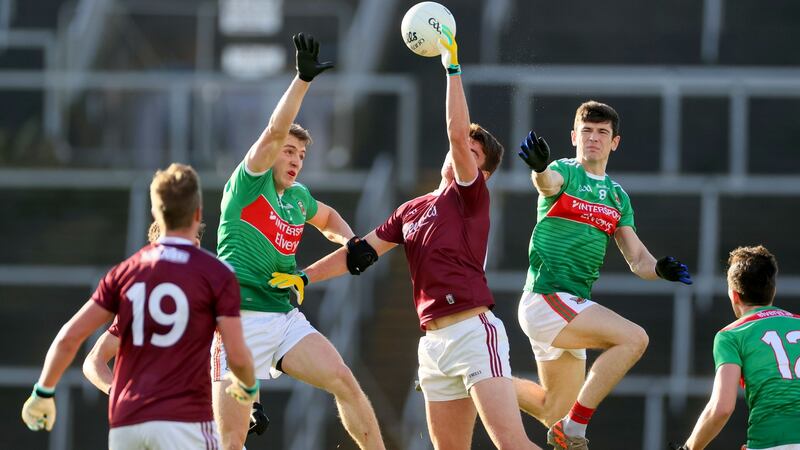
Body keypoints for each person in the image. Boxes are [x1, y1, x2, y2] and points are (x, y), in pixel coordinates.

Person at [270, 29, 541, 450]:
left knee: (512, 444)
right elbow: (358, 255)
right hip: (433, 343)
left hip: (473, 331)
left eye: (471, 152)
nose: (459, 152)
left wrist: (452, 67)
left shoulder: (471, 196)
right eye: (459, 147)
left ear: (482, 172)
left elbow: (455, 131)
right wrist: (304, 277)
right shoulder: (411, 209)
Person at [211, 32, 385, 450]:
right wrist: (302, 80)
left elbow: (326, 217)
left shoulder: (297, 199)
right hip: (235, 325)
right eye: (288, 152)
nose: (294, 160)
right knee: (232, 440)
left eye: (301, 156)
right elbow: (274, 130)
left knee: (344, 380)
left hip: (283, 319)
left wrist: (350, 240)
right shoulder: (248, 184)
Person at [21, 163, 258, 449]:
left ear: (157, 214)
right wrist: (248, 389)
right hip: (184, 422)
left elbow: (69, 336)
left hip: (128, 424)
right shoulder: (216, 274)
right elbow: (240, 355)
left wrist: (43, 391)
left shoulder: (124, 273)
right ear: (197, 214)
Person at [513, 100, 693, 449]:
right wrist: (538, 169)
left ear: (614, 142)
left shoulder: (617, 196)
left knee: (553, 409)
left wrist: (659, 269)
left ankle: (465, 375)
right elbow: (547, 184)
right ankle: (576, 427)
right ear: (574, 136)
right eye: (586, 131)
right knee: (634, 339)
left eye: (602, 132)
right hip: (547, 298)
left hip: (569, 306)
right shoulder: (565, 171)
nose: (593, 138)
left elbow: (638, 259)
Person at [82, 221, 270, 437]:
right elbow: (93, 362)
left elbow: (238, 356)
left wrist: (253, 404)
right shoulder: (141, 302)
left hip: (205, 424)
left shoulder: (213, 296)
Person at [673, 245, 800, 450]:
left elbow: (721, 408)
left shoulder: (731, 335)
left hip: (771, 440)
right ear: (773, 290)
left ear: (734, 295)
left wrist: (688, 448)